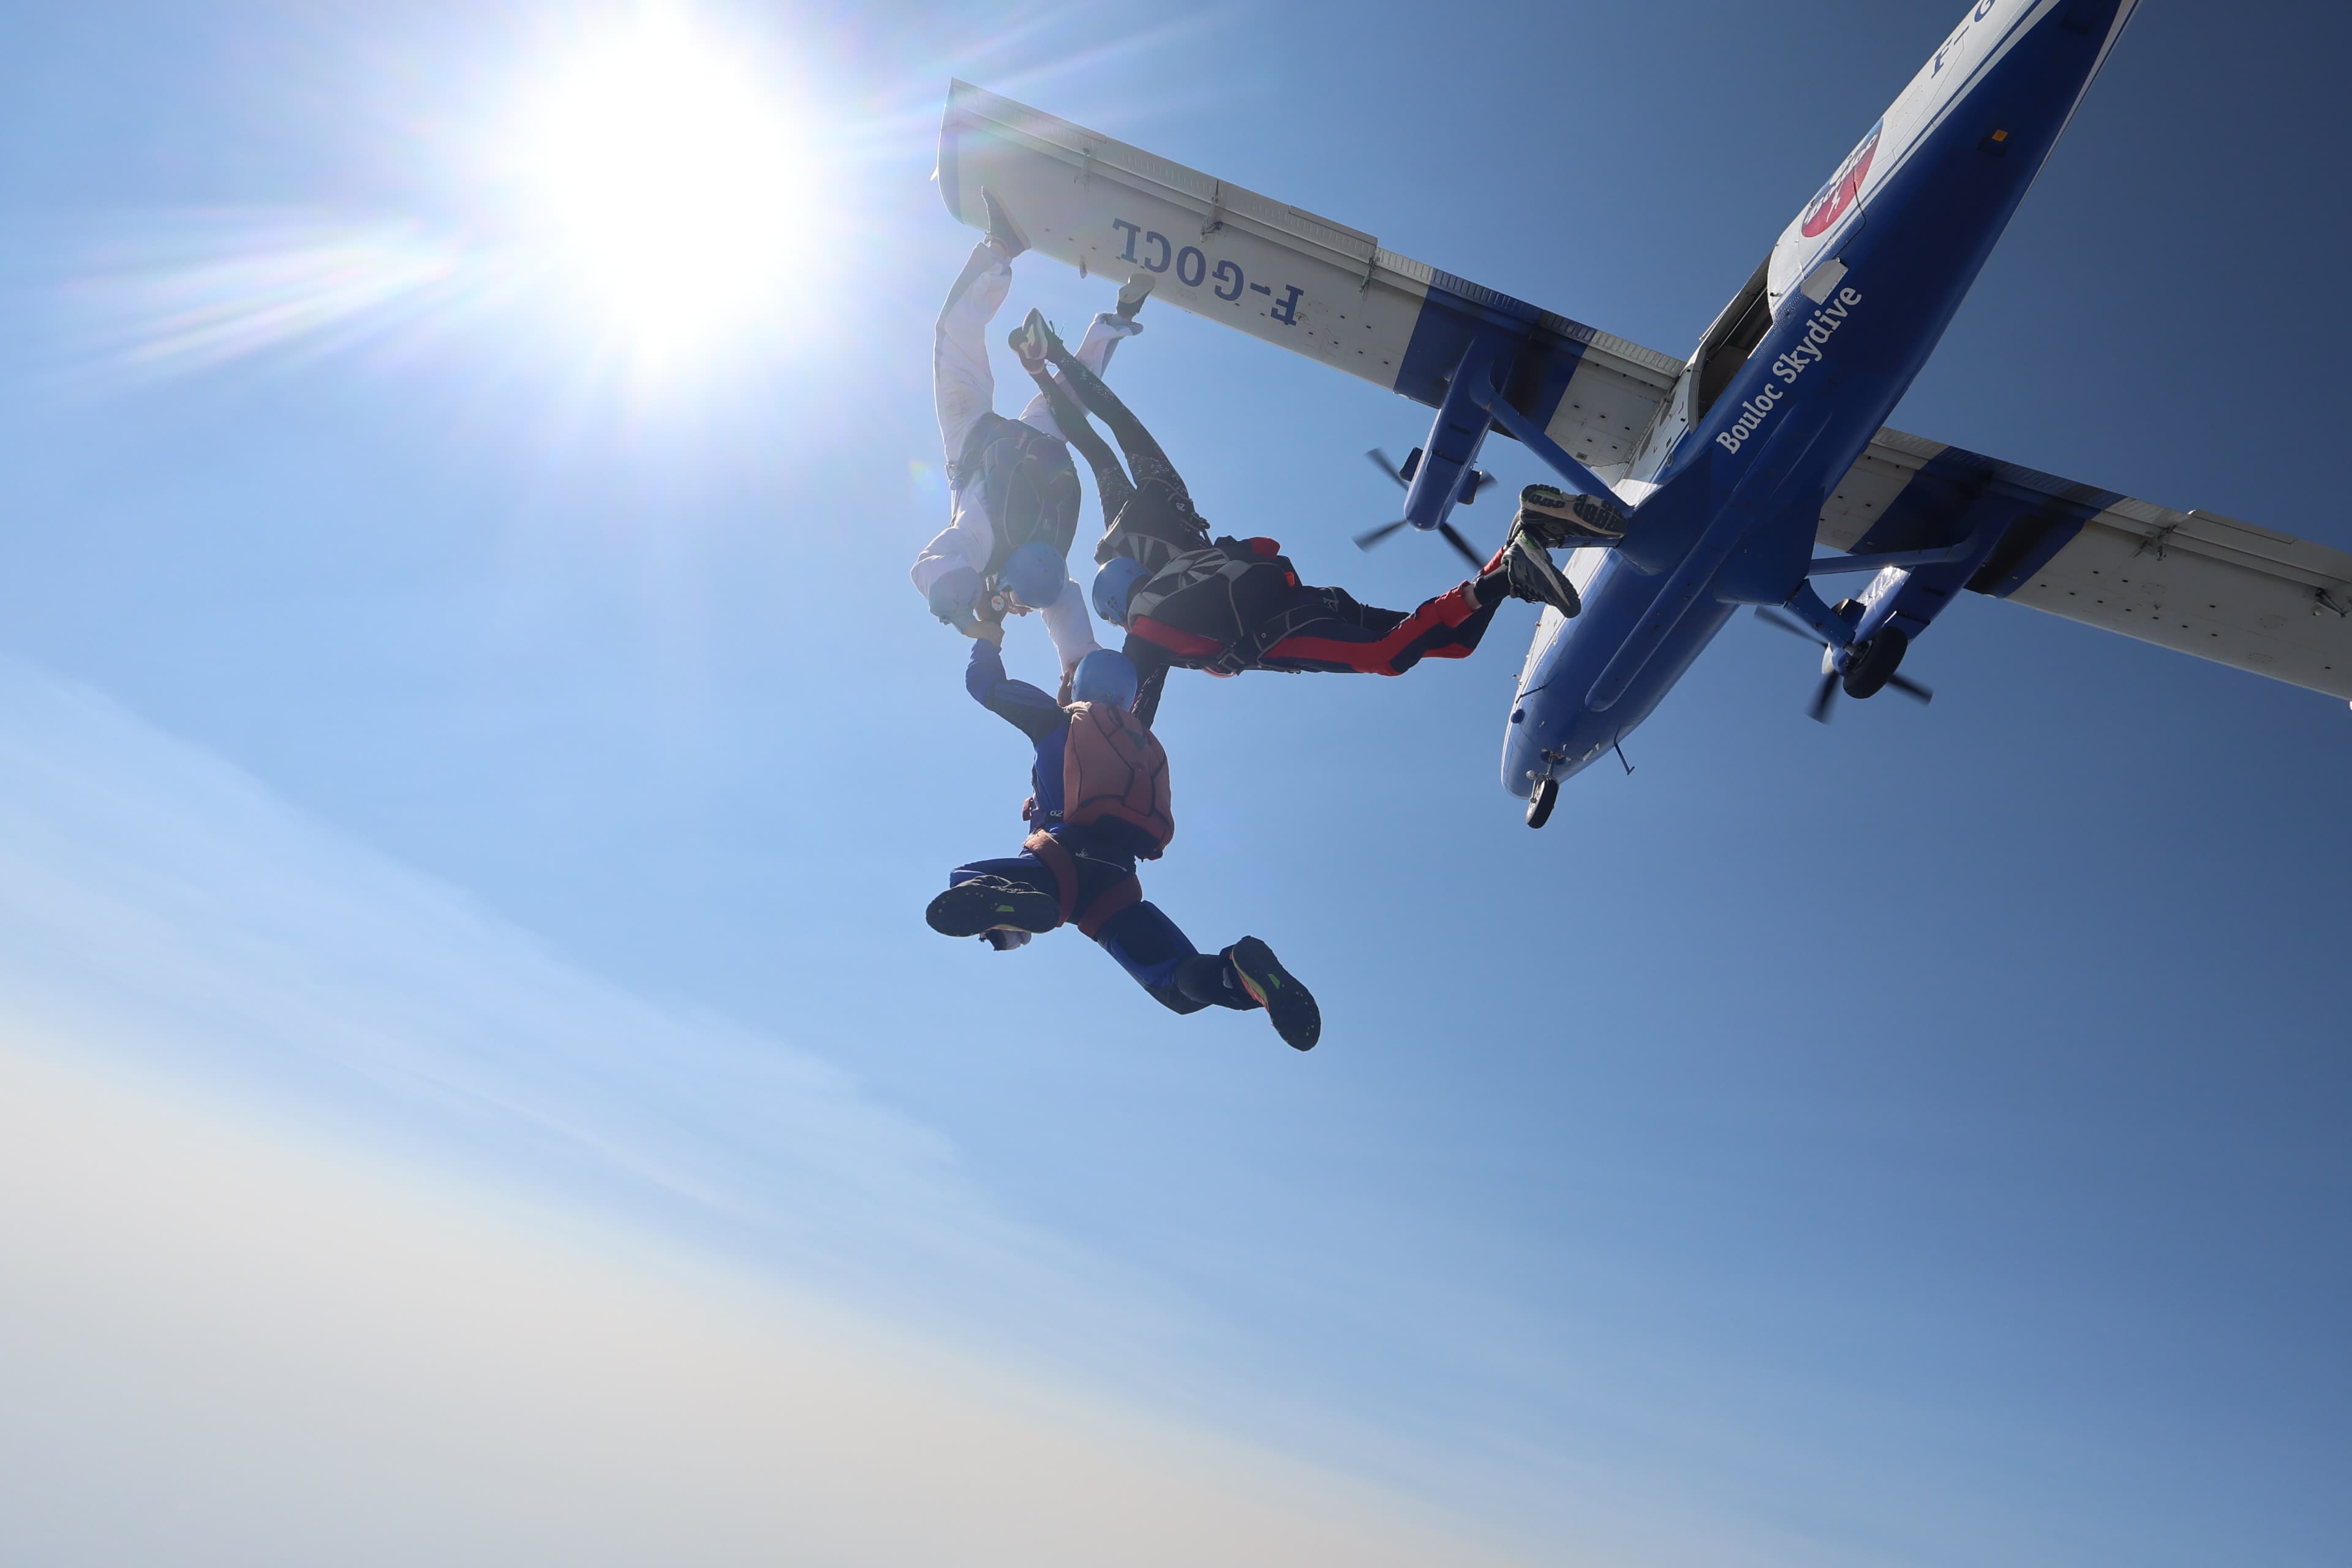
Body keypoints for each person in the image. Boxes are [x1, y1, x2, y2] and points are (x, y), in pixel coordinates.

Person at [1006, 309, 1588, 725]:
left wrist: (1074, 716)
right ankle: (1522, 547)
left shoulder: (1144, 633)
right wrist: (1049, 361)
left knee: (1387, 655)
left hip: (1287, 632)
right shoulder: (1164, 509)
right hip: (1303, 597)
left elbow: (1134, 723)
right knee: (1452, 642)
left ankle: (1509, 570)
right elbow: (1104, 429)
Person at [926, 636, 1321, 1050]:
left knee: (963, 880)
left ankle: (1023, 900)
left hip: (1061, 855)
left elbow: (984, 684)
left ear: (1079, 687)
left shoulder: (1057, 719)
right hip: (1117, 883)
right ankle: (1238, 974)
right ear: (1130, 699)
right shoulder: (1138, 740)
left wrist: (987, 637)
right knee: (1176, 980)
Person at [913, 190, 1147, 677]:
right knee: (955, 342)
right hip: (977, 444)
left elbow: (1067, 614)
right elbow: (931, 567)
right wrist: (967, 621)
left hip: (1039, 447)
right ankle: (1001, 247)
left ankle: (1116, 323)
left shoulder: (1052, 568)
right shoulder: (978, 546)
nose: (1015, 608)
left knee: (1072, 398)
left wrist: (1079, 673)